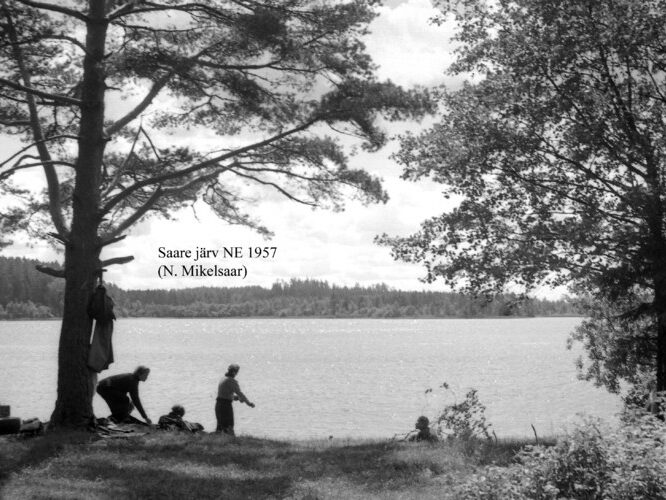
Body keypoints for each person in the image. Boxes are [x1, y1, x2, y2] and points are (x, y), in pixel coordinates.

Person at [215, 363, 254, 435]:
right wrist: (249, 403)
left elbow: (226, 394)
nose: (237, 373)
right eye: (237, 372)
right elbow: (240, 393)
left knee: (220, 427)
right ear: (234, 372)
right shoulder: (231, 381)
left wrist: (237, 398)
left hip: (218, 404)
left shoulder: (223, 378)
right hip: (225, 406)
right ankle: (231, 442)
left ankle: (218, 442)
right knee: (229, 427)